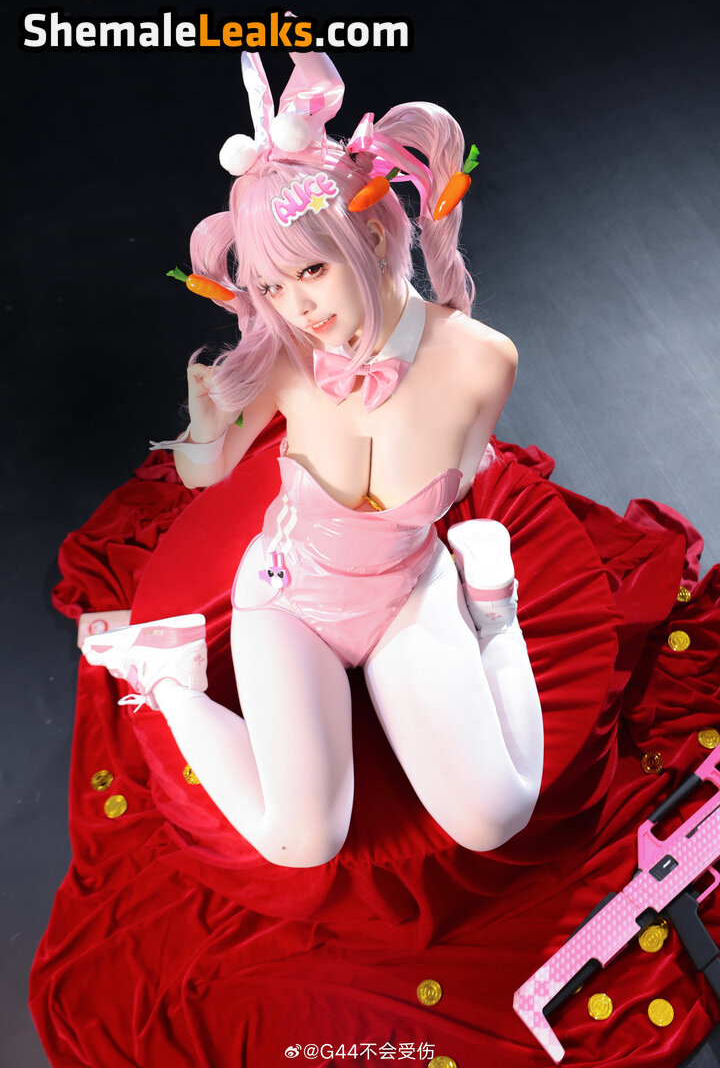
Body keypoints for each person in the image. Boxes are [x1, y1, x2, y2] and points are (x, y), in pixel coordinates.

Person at [81, 49, 544, 869]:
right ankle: (169, 675)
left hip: (407, 589)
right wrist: (203, 419)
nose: (296, 307)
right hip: (289, 593)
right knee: (301, 842)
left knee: (496, 816)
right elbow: (204, 473)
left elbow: (464, 469)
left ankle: (493, 604)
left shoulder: (484, 360)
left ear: (371, 231)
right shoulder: (285, 357)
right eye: (271, 286)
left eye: (311, 271)